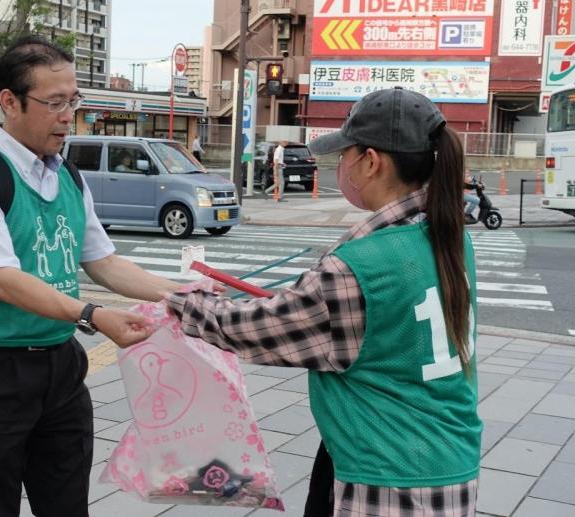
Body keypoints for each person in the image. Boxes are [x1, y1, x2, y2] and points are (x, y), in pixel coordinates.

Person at [165, 88, 481, 517]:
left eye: (345, 155)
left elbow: (260, 329)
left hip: (390, 477)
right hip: (449, 459)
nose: (340, 166)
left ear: (371, 162)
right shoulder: (449, 236)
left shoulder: (361, 266)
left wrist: (183, 303)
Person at [0, 35, 188, 517]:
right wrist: (93, 315)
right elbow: (2, 279)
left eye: (73, 101)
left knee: (68, 503)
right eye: (54, 103)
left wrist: (182, 294)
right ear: (10, 102)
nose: (68, 115)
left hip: (61, 364)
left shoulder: (67, 174)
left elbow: (103, 262)